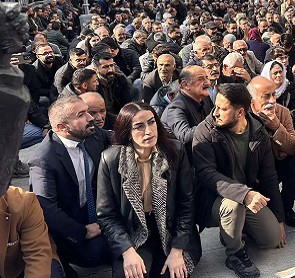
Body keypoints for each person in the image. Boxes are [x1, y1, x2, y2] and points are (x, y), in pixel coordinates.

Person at [96, 102, 202, 277]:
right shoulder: (111, 159)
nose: (149, 131)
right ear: (126, 132)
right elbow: (106, 215)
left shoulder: (174, 151)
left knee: (173, 273)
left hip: (171, 230)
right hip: (133, 231)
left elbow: (186, 204)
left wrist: (177, 249)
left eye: (152, 122)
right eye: (139, 126)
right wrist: (127, 250)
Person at [193, 83, 285, 278]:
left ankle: (236, 228)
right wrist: (245, 194)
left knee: (272, 239)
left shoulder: (258, 131)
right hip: (214, 200)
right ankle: (234, 253)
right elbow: (206, 174)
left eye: (222, 108)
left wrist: (279, 218)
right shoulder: (205, 130)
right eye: (215, 106)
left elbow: (269, 176)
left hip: (247, 198)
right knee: (233, 207)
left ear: (240, 112)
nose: (215, 112)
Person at [28, 96, 113, 274]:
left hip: (94, 211)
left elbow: (114, 135)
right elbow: (48, 210)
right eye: (81, 114)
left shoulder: (91, 133)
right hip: (69, 225)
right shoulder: (43, 160)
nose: (91, 118)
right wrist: (82, 231)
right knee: (96, 253)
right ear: (61, 127)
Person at [247, 77, 295, 227]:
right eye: (266, 96)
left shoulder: (282, 112)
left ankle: (286, 209)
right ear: (252, 99)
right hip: (254, 170)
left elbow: (293, 147)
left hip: (276, 163)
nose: (272, 100)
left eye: (274, 94)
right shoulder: (243, 116)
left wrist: (277, 126)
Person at [161, 65, 212, 160]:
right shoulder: (175, 108)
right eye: (201, 79)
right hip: (185, 163)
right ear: (185, 85)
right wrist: (212, 122)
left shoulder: (205, 98)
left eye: (207, 78)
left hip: (204, 154)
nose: (207, 83)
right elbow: (184, 137)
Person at [261, 60, 295, 133]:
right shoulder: (262, 90)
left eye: (280, 72)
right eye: (275, 73)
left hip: (288, 121)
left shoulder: (290, 87)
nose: (279, 75)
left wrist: (283, 118)